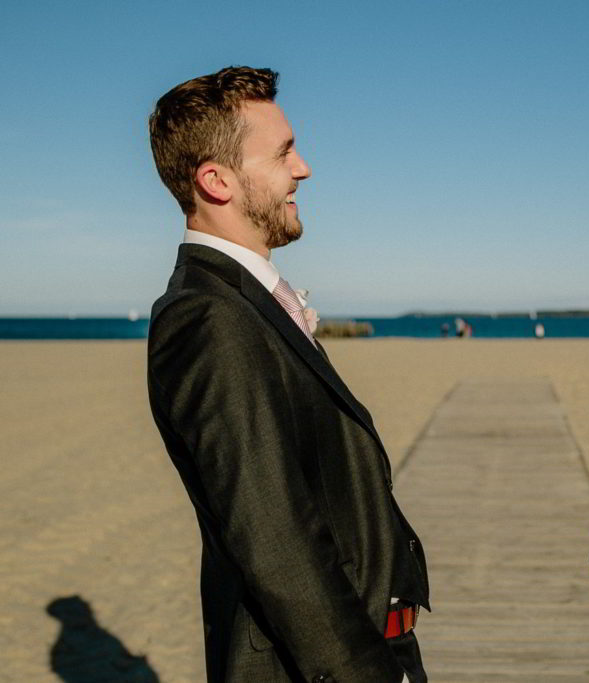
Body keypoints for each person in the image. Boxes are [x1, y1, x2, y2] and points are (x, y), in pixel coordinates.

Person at [146, 66, 429, 683]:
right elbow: (271, 534)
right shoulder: (209, 317)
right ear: (216, 181)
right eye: (283, 154)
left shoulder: (245, 303)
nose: (303, 168)